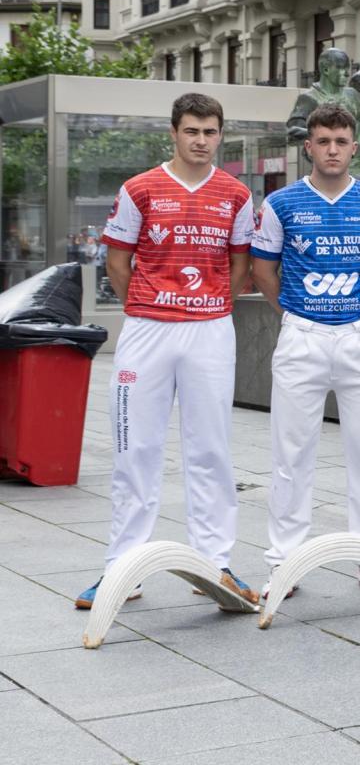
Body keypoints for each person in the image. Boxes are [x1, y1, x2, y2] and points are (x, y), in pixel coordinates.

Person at [79, 93, 256, 609]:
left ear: (220, 135)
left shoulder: (237, 195)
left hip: (209, 331)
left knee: (211, 449)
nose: (201, 141)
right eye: (192, 131)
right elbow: (117, 261)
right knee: (136, 450)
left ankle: (215, 564)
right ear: (174, 133)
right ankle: (122, 569)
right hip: (148, 331)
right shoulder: (140, 188)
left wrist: (209, 306)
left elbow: (241, 264)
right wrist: (150, 304)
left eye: (210, 132)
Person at [250, 104, 360, 594]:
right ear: (309, 146)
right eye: (324, 141)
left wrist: (358, 306)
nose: (333, 149)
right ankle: (285, 559)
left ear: (354, 146)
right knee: (291, 453)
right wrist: (296, 314)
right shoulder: (281, 204)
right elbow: (262, 272)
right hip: (302, 337)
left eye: (341, 141)